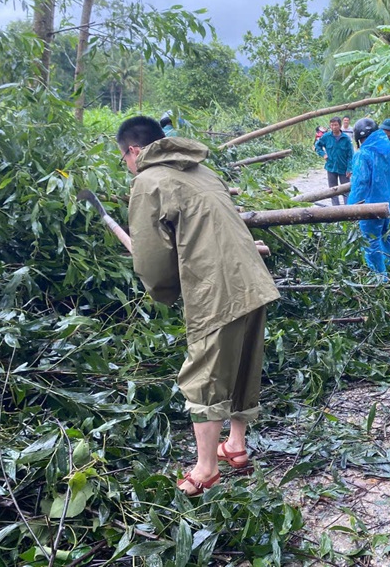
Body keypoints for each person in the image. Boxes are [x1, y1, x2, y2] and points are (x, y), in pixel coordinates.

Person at [117, 116, 279, 495]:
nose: (127, 165)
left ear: (135, 151)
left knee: (203, 377)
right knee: (243, 363)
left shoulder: (148, 181)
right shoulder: (202, 171)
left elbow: (152, 260)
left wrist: (162, 291)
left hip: (216, 287)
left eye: (124, 158)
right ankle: (235, 446)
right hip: (252, 279)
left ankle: (206, 470)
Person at [348, 117, 390, 276]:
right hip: (387, 205)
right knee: (387, 236)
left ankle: (379, 278)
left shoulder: (363, 154)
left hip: (370, 206)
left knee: (372, 242)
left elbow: (360, 183)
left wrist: (351, 208)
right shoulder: (388, 150)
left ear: (358, 138)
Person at [315, 117, 355, 206]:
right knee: (333, 191)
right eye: (332, 125)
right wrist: (323, 154)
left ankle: (348, 209)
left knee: (346, 191)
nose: (334, 127)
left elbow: (350, 155)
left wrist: (349, 168)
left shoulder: (346, 139)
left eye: (336, 125)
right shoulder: (326, 137)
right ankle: (335, 209)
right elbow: (317, 146)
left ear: (340, 126)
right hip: (331, 167)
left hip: (343, 168)